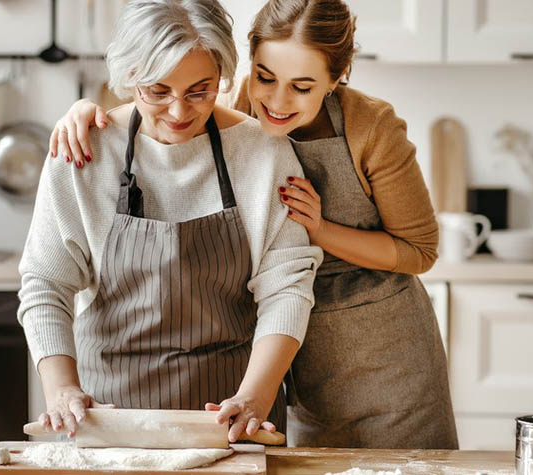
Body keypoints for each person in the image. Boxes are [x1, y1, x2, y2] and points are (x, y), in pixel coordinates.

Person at [46, 0, 458, 450]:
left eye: (302, 86)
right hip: (296, 359)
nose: (277, 103)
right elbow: (170, 98)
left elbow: (420, 251)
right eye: (265, 77)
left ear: (337, 79)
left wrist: (321, 231)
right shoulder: (238, 110)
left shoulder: (369, 129)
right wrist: (86, 111)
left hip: (383, 355)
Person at [17, 0, 321, 444]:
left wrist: (255, 396)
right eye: (157, 91)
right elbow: (46, 282)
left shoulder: (263, 153)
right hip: (109, 417)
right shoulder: (83, 152)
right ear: (129, 78)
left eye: (200, 91)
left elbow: (288, 285)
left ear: (222, 77)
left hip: (232, 418)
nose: (179, 112)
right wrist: (61, 388)